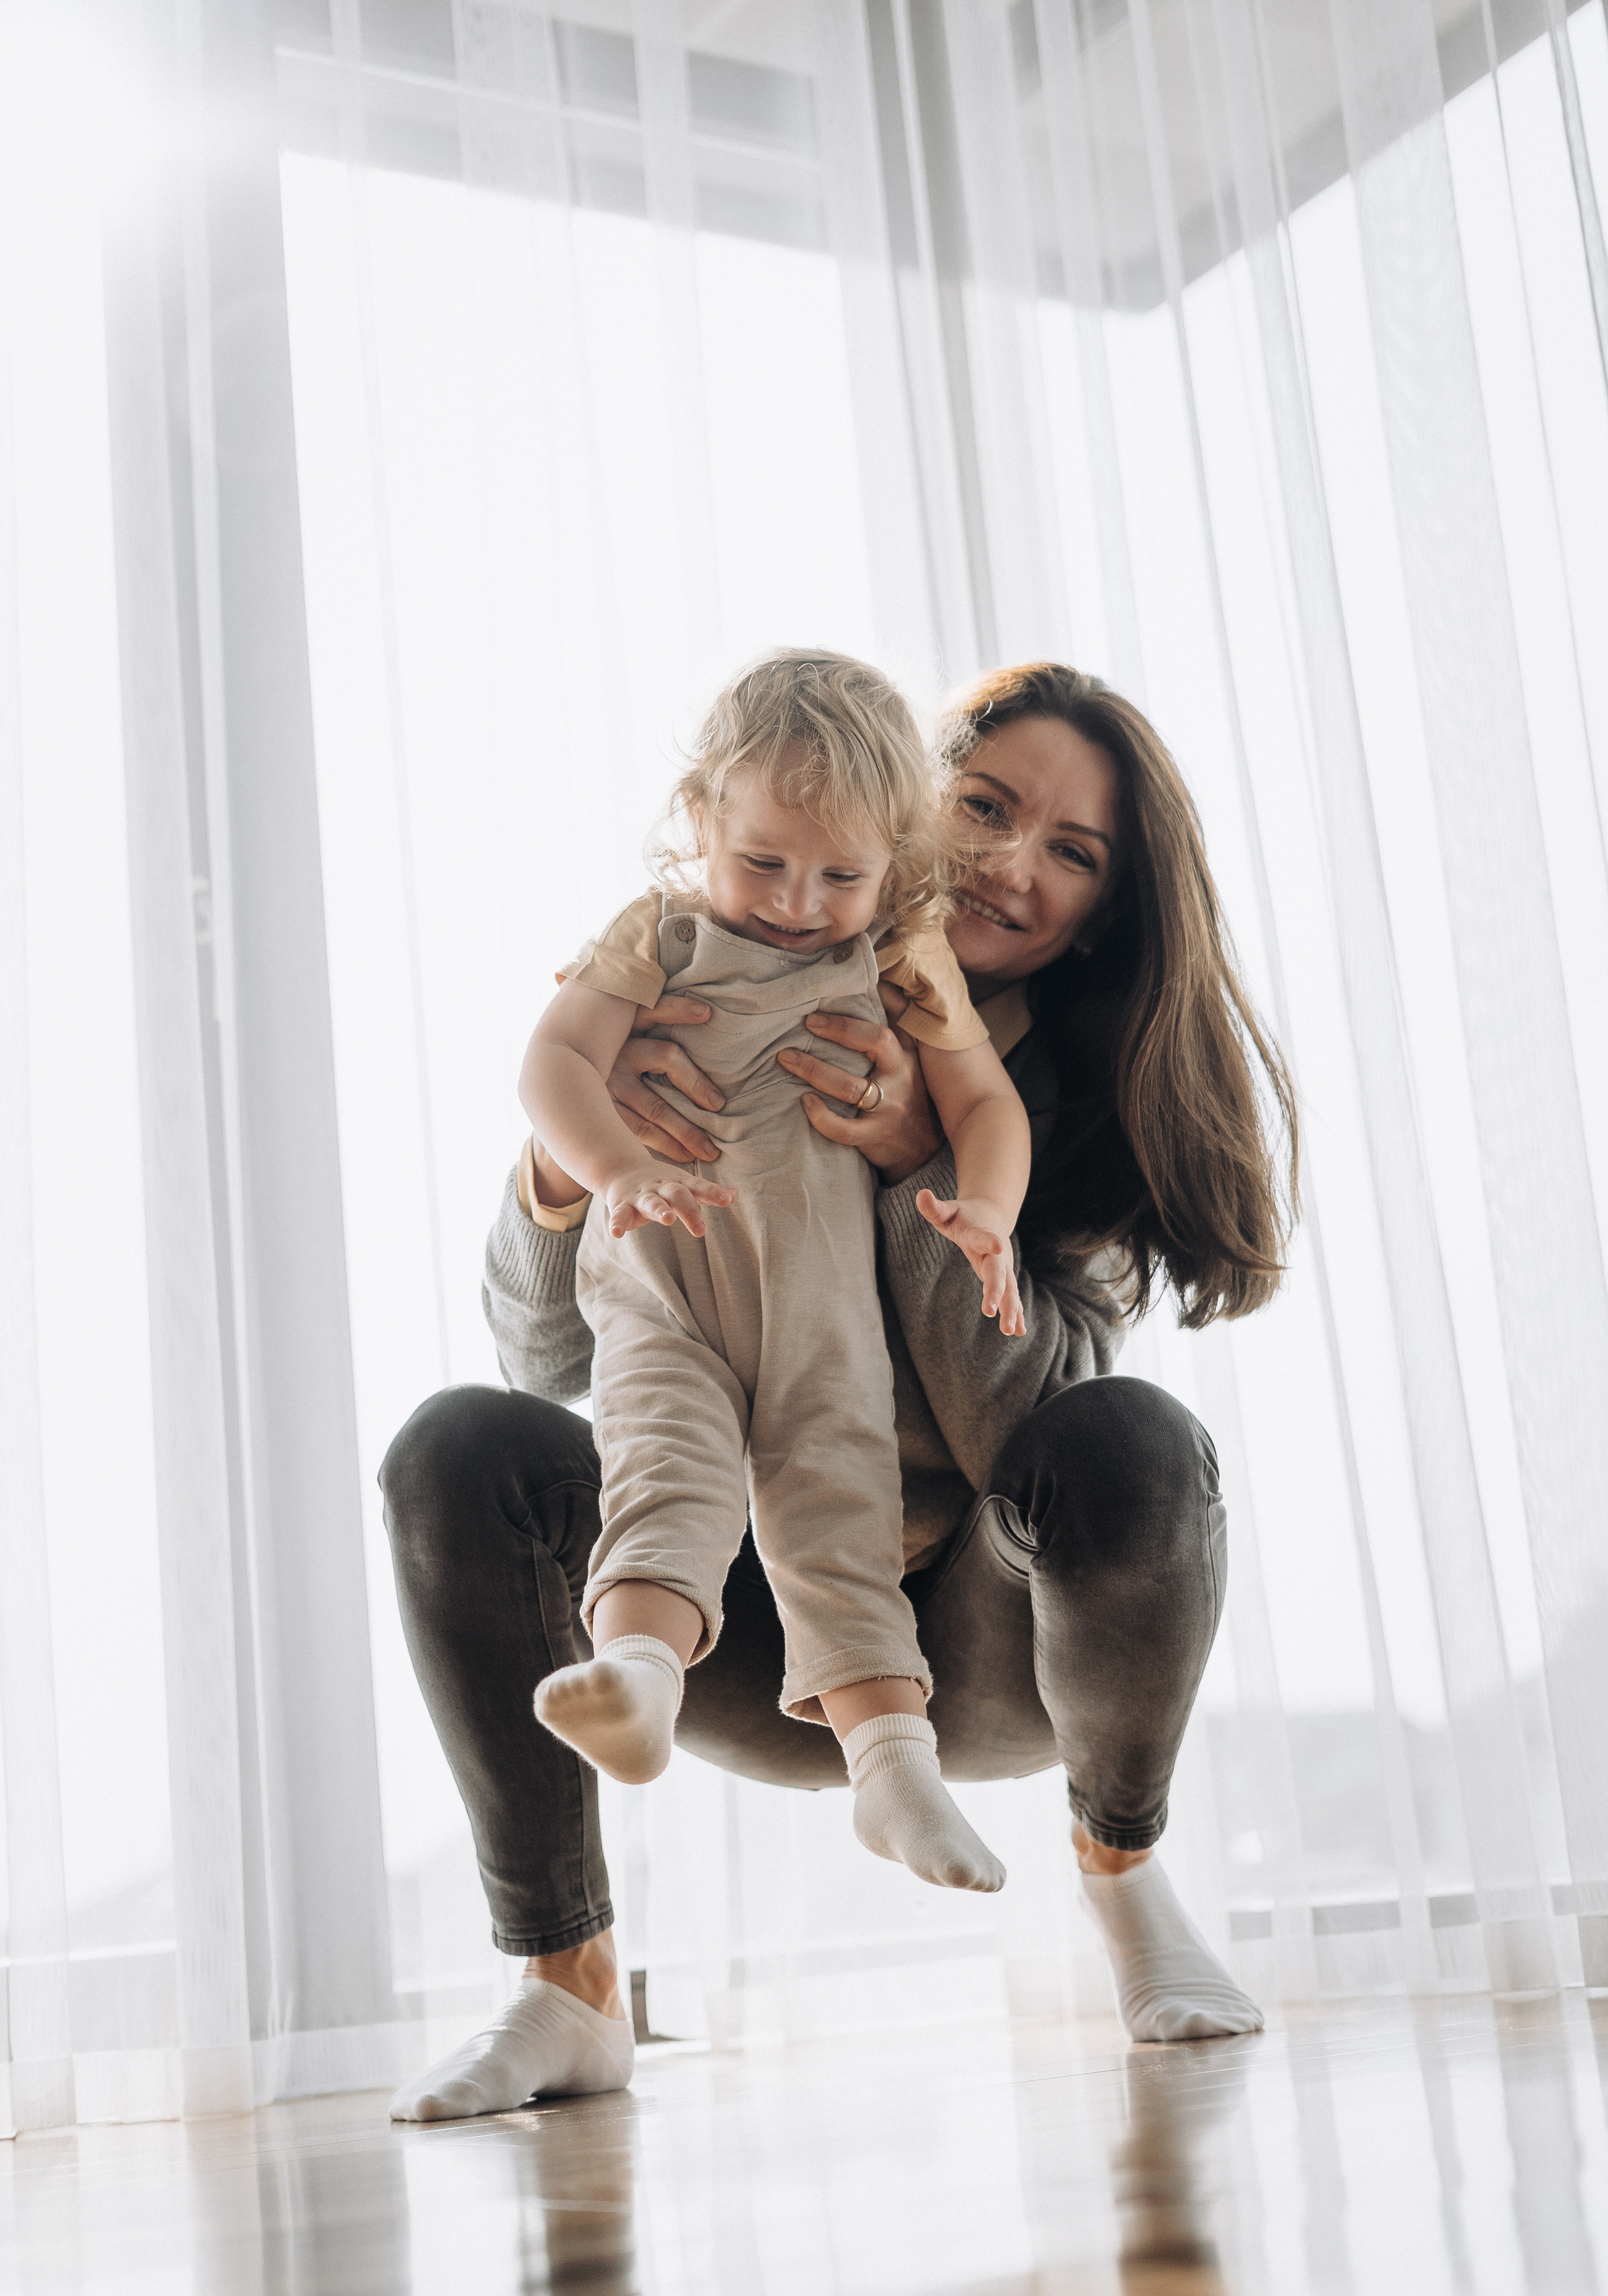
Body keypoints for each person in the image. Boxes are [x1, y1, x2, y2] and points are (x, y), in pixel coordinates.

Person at [386, 661, 1296, 2124]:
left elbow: (1030, 1444)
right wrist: (577, 1164)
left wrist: (913, 1166)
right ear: (907, 802)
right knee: (456, 1449)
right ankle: (567, 1987)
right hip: (726, 1610)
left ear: (1100, 914)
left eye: (1070, 853)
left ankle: (1122, 1875)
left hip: (984, 1639)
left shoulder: (1071, 1102)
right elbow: (550, 1363)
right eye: (984, 807)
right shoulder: (703, 963)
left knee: (1137, 1438)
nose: (1010, 862)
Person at [518, 653, 1029, 1899]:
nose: (799, 904)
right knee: (663, 1479)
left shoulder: (900, 955)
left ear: (893, 862)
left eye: (841, 876)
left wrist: (988, 1212)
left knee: (837, 1509)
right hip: (666, 1293)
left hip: (819, 1303)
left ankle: (893, 1771)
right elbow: (552, 1063)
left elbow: (985, 1104)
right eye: (762, 863)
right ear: (701, 820)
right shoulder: (658, 935)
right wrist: (617, 1163)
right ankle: (639, 1682)